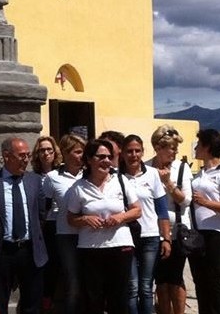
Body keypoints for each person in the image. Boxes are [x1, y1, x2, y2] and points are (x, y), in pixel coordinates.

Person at [0, 137, 48, 314]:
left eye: (28, 155)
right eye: (21, 155)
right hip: (1, 252)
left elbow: (41, 214)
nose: (26, 159)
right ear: (7, 156)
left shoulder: (34, 181)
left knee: (32, 303)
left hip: (30, 251)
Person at [67, 139, 142, 314]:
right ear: (89, 160)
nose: (106, 161)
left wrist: (120, 217)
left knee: (119, 298)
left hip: (120, 246)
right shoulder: (79, 187)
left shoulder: (120, 181)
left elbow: (137, 210)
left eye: (109, 157)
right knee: (93, 299)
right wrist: (85, 219)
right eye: (101, 157)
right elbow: (71, 218)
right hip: (90, 249)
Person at [189, 129, 220, 314]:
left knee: (214, 279)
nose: (195, 148)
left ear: (207, 147)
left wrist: (206, 203)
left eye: (198, 144)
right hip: (196, 232)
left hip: (216, 233)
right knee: (199, 280)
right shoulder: (200, 173)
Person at [120, 134, 171, 314]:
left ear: (142, 152)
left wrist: (166, 238)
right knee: (132, 288)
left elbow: (162, 209)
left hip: (150, 236)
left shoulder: (153, 175)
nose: (133, 155)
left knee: (146, 287)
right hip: (126, 237)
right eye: (129, 151)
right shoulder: (116, 176)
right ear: (122, 153)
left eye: (137, 151)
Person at [144, 125, 191, 314]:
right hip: (153, 229)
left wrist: (168, 183)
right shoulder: (146, 167)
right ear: (158, 147)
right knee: (160, 280)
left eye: (175, 148)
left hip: (177, 230)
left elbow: (186, 200)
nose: (175, 151)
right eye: (171, 147)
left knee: (175, 278)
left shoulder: (181, 168)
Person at [42, 134, 85, 313]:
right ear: (66, 153)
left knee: (90, 281)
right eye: (78, 152)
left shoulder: (90, 174)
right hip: (66, 235)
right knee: (72, 283)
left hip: (91, 234)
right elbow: (45, 207)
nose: (82, 156)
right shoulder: (52, 177)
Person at [31, 135, 62, 312]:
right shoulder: (33, 176)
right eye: (42, 150)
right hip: (42, 225)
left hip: (60, 223)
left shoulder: (61, 173)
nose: (46, 153)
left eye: (49, 150)